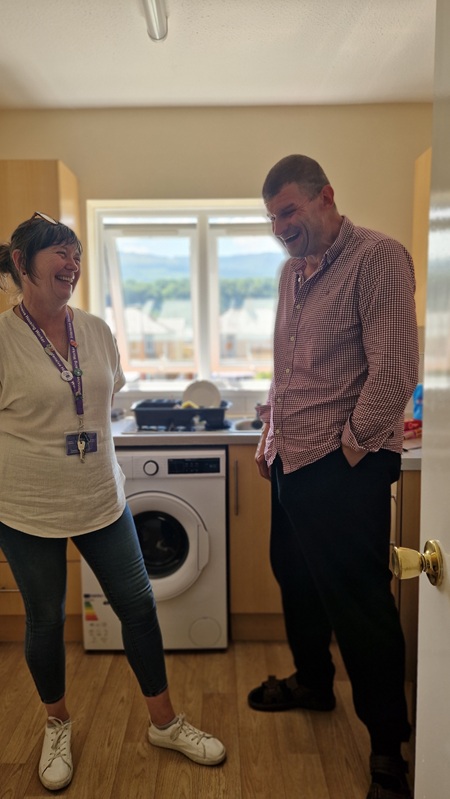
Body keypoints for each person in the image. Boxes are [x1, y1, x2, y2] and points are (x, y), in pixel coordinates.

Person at [0, 213, 226, 792]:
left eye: (76, 253)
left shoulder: (96, 330)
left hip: (103, 497)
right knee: (47, 621)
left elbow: (102, 395)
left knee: (139, 606)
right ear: (22, 264)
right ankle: (57, 724)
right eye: (59, 253)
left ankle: (164, 723)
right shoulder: (2, 341)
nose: (71, 264)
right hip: (27, 510)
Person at [248, 155, 418, 799]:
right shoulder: (293, 273)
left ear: (326, 198)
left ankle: (386, 753)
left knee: (362, 607)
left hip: (345, 468)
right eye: (272, 218)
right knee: (296, 579)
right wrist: (271, 436)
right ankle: (315, 683)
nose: (281, 227)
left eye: (289, 211)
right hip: (292, 462)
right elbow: (285, 369)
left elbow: (395, 372)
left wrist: (346, 453)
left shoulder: (379, 257)